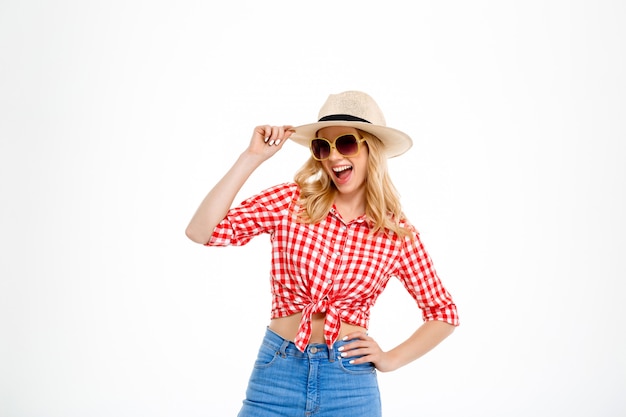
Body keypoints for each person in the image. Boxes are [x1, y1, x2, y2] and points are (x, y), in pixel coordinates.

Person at [185, 91, 459, 417]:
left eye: (345, 143)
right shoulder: (291, 202)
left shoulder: (395, 233)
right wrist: (251, 157)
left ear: (372, 149)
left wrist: (390, 359)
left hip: (349, 383)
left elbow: (443, 312)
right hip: (277, 372)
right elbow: (201, 231)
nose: (332, 157)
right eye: (322, 147)